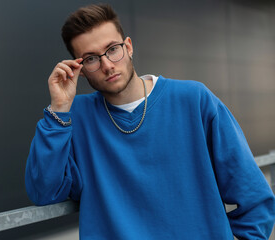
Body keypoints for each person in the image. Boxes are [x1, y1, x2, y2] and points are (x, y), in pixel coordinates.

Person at [25, 4, 275, 239]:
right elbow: (44, 192)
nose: (107, 65)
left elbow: (253, 195)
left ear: (129, 46)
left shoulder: (193, 100)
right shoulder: (75, 117)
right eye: (91, 58)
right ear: (77, 67)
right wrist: (58, 109)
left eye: (113, 49)